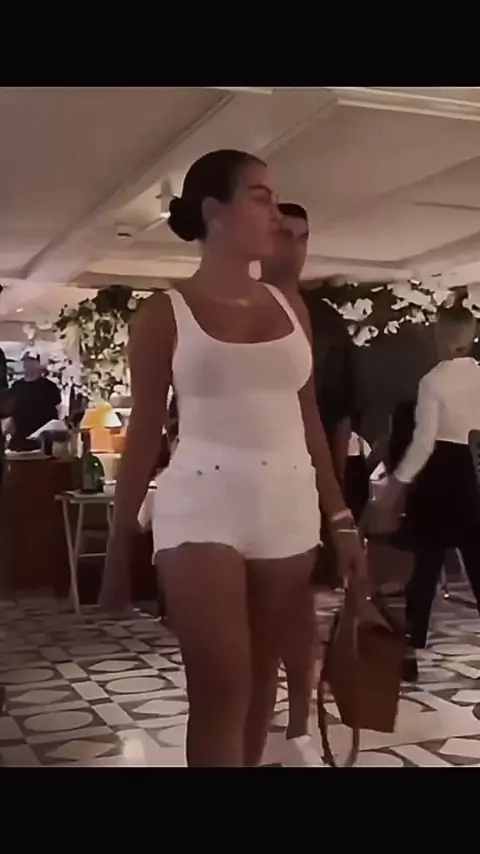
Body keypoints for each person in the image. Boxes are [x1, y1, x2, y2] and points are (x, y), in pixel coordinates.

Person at [99, 149, 366, 767]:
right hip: (201, 500)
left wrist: (342, 519)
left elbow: (309, 419)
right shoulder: (163, 313)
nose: (275, 212)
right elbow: (143, 432)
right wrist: (118, 545)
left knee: (260, 686)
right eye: (261, 196)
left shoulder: (290, 308)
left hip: (287, 503)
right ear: (215, 210)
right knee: (223, 687)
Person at [379, 305, 480, 682]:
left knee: (424, 570)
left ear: (439, 335)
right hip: (473, 473)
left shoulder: (433, 381)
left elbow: (424, 443)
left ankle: (410, 651)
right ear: (472, 336)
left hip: (440, 475)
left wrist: (397, 484)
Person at [8, 352, 62, 451]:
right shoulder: (16, 386)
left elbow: (58, 410)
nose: (28, 364)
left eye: (31, 360)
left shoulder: (49, 387)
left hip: (43, 441)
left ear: (38, 363)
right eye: (25, 361)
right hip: (20, 440)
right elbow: (11, 411)